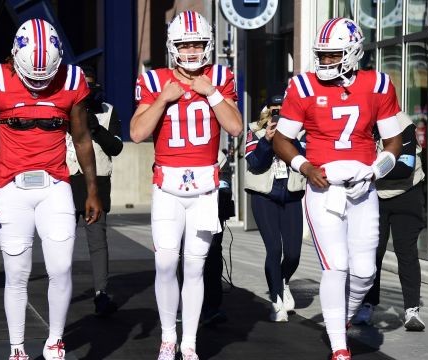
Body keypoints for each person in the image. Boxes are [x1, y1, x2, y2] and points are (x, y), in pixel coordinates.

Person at [0, 18, 102, 360]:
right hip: (12, 188)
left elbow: (82, 137)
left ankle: (55, 340)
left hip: (54, 185)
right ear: (15, 57)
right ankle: (17, 348)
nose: (40, 83)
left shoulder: (71, 79)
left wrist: (91, 189)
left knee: (60, 268)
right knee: (17, 274)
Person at [272, 18, 402, 360]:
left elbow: (393, 142)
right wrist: (306, 166)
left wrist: (376, 170)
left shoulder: (378, 84)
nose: (325, 62)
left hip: (363, 189)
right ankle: (339, 346)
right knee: (336, 266)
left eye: (333, 55)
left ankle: (342, 317)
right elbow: (283, 140)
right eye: (322, 55)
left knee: (365, 271)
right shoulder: (303, 86)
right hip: (324, 189)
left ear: (353, 53)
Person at [130, 11, 242, 360]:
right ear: (172, 47)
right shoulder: (154, 81)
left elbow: (236, 127)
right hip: (167, 186)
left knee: (195, 267)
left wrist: (210, 94)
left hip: (205, 189)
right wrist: (164, 98)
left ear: (208, 45)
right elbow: (136, 133)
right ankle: (167, 337)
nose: (191, 51)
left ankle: (189, 342)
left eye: (197, 44)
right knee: (165, 263)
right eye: (184, 44)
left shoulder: (220, 77)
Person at [351, 111, 426, 331]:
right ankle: (367, 304)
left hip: (407, 193)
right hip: (376, 195)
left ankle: (412, 310)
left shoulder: (402, 123)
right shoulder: (362, 121)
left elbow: (404, 167)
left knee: (406, 252)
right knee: (373, 253)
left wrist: (367, 171)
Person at [66, 65, 123, 317]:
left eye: (91, 84)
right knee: (61, 242)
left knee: (97, 241)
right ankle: (60, 291)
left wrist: (96, 129)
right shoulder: (63, 106)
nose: (88, 90)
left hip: (97, 183)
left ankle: (101, 293)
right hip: (66, 180)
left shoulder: (108, 111)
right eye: (83, 84)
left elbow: (116, 147)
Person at [245, 95, 305, 322]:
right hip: (264, 196)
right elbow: (255, 163)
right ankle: (276, 301)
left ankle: (283, 280)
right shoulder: (255, 130)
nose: (278, 114)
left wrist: (288, 138)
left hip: (291, 195)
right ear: (267, 111)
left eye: (282, 110)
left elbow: (305, 158)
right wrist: (268, 140)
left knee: (293, 254)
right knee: (274, 249)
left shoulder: (301, 131)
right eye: (274, 110)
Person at [200, 149, 234, 326]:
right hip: (184, 209)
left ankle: (212, 307)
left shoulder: (219, 156)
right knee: (186, 259)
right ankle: (184, 306)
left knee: (213, 255)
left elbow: (225, 183)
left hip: (212, 209)